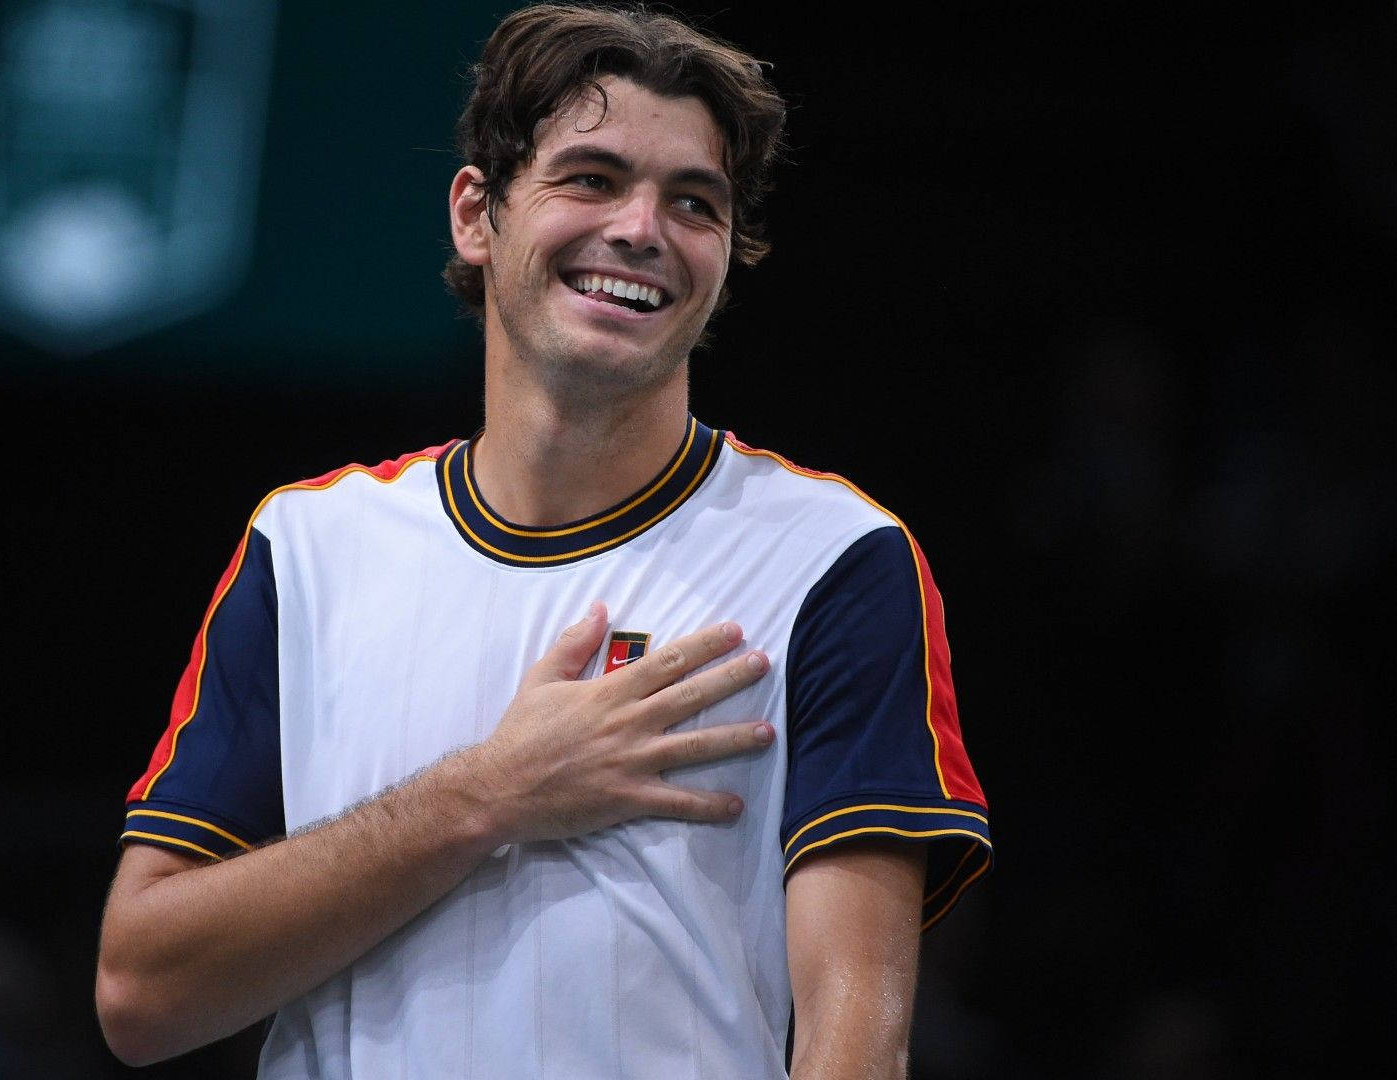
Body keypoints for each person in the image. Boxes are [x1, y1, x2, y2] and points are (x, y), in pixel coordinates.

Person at [96, 5, 991, 1077]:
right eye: (593, 178)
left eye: (694, 202)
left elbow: (855, 1032)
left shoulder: (835, 558)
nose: (642, 229)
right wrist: (488, 793)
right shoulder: (306, 545)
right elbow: (141, 994)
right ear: (478, 214)